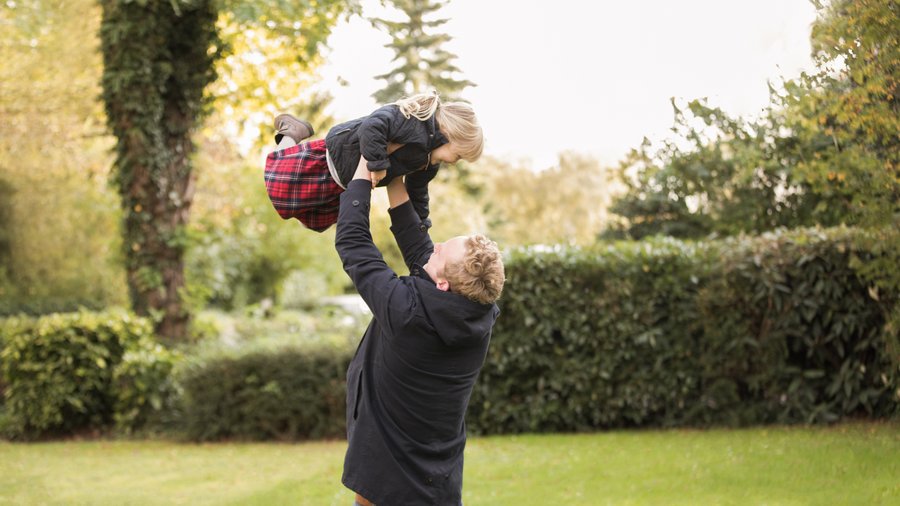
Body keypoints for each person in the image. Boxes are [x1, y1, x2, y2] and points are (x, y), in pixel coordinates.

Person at [334, 156, 505, 505]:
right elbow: (420, 251)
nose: (434, 246)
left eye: (441, 251)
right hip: (434, 473)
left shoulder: (408, 313)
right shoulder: (476, 312)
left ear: (442, 283)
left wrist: (363, 172)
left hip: (387, 468)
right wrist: (395, 178)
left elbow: (354, 244)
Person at [264, 91, 483, 232]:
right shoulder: (415, 123)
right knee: (279, 188)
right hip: (332, 160)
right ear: (450, 135)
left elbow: (417, 190)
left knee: (313, 221)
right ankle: (292, 133)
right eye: (459, 155)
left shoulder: (428, 163)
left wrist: (421, 222)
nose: (456, 162)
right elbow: (373, 126)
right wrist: (377, 164)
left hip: (342, 186)